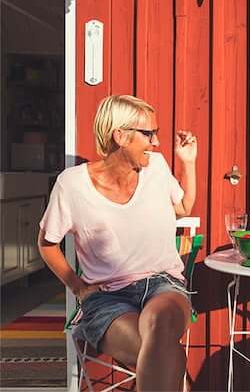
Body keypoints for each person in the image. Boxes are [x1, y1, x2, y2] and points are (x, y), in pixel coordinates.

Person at [38, 95, 197, 391]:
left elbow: (183, 208)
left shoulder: (157, 168)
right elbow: (47, 244)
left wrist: (188, 163)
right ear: (120, 136)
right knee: (165, 354)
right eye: (149, 134)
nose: (157, 143)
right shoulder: (71, 185)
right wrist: (78, 286)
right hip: (107, 298)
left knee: (160, 326)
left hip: (162, 284)